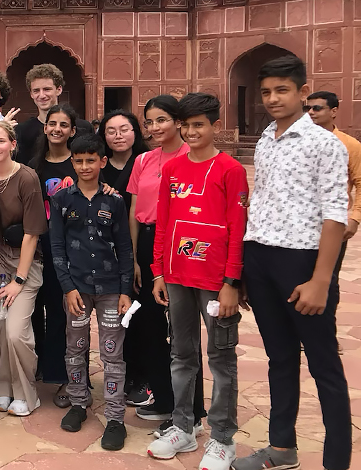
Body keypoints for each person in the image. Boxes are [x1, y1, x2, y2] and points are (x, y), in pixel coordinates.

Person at [232, 56, 351, 470]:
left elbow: (336, 212)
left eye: (281, 90)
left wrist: (321, 280)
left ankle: (337, 460)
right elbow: (261, 200)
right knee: (280, 357)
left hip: (303, 262)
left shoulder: (325, 144)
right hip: (261, 257)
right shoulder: (266, 139)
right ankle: (282, 448)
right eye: (266, 92)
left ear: (302, 92)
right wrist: (246, 269)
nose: (272, 99)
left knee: (324, 365)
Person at [146, 93, 248, 470]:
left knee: (220, 358)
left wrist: (231, 282)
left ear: (214, 125)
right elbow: (164, 221)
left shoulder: (229, 170)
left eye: (198, 125)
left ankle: (222, 438)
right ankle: (184, 426)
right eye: (185, 125)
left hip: (215, 280)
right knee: (181, 354)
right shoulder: (172, 169)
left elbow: (237, 230)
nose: (191, 132)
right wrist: (158, 271)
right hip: (176, 277)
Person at [128, 95, 206, 431]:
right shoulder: (144, 160)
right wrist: (133, 258)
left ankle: (193, 410)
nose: (156, 127)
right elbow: (134, 209)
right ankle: (164, 398)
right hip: (147, 244)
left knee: (182, 331)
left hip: (180, 244)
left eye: (162, 120)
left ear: (178, 122)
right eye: (150, 121)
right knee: (150, 327)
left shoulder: (193, 157)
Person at [49, 133, 132, 450]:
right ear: (72, 162)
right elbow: (57, 247)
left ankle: (115, 417)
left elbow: (124, 247)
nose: (85, 166)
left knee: (113, 352)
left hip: (111, 289)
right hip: (78, 291)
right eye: (78, 160)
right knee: (75, 348)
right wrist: (67, 287)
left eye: (90, 160)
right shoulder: (62, 200)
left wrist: (126, 289)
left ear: (102, 162)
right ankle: (78, 403)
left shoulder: (114, 200)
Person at [0, 120, 47, 417]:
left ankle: (26, 392)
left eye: (0, 141)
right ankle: (2, 386)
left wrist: (19, 279)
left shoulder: (27, 178)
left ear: (13, 144)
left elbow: (32, 233)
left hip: (25, 262)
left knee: (17, 331)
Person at [97, 109, 149, 403]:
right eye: (111, 131)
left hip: (136, 247)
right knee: (114, 318)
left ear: (135, 132)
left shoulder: (145, 162)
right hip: (104, 252)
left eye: (124, 129)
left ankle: (142, 377)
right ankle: (122, 375)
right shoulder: (98, 167)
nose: (118, 136)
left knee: (139, 317)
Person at [27, 104, 78, 408]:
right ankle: (41, 367)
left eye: (63, 124)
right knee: (35, 311)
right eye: (52, 123)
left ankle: (64, 378)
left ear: (72, 130)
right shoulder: (34, 166)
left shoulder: (79, 164)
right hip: (37, 250)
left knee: (63, 315)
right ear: (44, 128)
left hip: (70, 252)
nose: (57, 129)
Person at [305, 91, 361, 312]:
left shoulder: (349, 145)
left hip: (333, 223)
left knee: (328, 279)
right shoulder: (298, 142)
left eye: (317, 108)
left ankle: (326, 337)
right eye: (307, 108)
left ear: (334, 111)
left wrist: (355, 218)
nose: (310, 112)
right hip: (300, 224)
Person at [16, 64, 64, 165]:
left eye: (47, 89)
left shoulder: (80, 127)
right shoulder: (21, 131)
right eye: (36, 91)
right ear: (31, 94)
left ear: (59, 90)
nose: (41, 95)